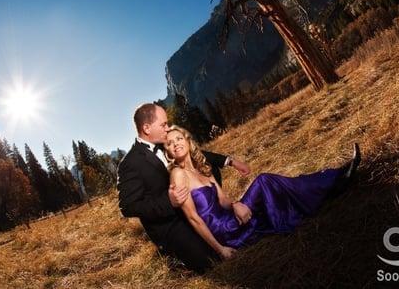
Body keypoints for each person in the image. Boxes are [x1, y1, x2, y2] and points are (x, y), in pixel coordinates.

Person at [165, 125, 361, 260]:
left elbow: (223, 199)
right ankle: (334, 181)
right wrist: (221, 250)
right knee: (264, 181)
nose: (176, 144)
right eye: (170, 143)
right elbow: (193, 219)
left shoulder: (202, 168)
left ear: (188, 142)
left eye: (179, 138)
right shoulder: (178, 174)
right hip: (223, 231)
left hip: (230, 217)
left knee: (274, 188)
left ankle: (334, 181)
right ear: (169, 152)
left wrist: (235, 205)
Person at [117, 103, 250, 272]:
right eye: (163, 124)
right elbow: (127, 206)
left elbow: (195, 153)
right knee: (209, 262)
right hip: (171, 224)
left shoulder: (166, 143)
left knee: (210, 168)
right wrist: (168, 201)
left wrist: (230, 161)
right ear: (147, 128)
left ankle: (214, 208)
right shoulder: (130, 163)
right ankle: (173, 252)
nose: (167, 128)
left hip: (192, 206)